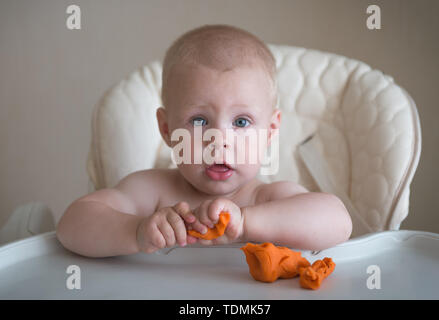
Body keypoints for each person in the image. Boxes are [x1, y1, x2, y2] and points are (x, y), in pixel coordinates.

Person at [56, 24, 352, 258]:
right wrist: (136, 231)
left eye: (241, 122)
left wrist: (247, 222)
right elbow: (72, 224)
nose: (219, 141)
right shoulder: (151, 193)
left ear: (270, 131)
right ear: (167, 129)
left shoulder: (266, 199)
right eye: (199, 121)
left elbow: (338, 221)